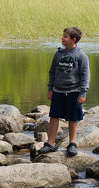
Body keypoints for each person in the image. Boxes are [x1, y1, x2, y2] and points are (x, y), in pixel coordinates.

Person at [37, 26, 90, 157]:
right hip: (58, 91)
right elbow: (52, 72)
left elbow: (85, 75)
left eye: (65, 36)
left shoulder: (80, 55)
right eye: (63, 36)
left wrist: (83, 92)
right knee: (54, 116)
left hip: (74, 91)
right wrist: (50, 88)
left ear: (73, 40)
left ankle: (72, 144)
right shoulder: (58, 54)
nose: (62, 38)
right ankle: (50, 143)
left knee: (73, 118)